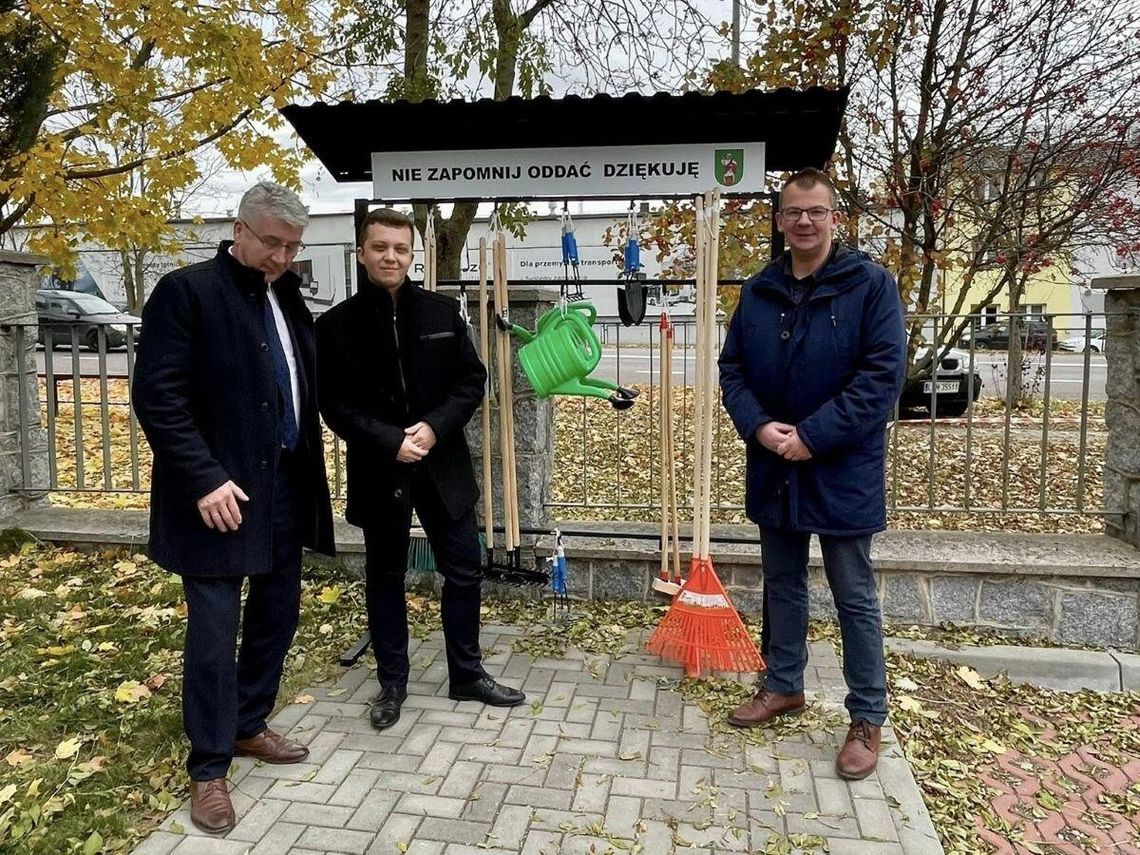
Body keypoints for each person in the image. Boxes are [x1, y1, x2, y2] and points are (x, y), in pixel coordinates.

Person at [133, 182, 335, 833]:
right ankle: (209, 767)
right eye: (272, 242)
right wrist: (203, 478)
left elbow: (301, 381)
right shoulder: (186, 292)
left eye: (293, 246)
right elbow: (158, 397)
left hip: (284, 489)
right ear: (239, 229)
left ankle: (249, 723)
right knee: (215, 635)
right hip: (217, 497)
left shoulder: (286, 295)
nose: (282, 256)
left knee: (278, 614)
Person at [718, 167, 906, 780]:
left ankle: (867, 716)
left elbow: (881, 379)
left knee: (854, 595)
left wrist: (813, 437)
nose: (805, 221)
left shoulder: (870, 286)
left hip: (843, 467)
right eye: (794, 212)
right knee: (783, 582)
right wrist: (759, 427)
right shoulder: (758, 291)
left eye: (816, 211)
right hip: (775, 463)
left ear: (833, 218)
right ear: (779, 219)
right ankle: (783, 684)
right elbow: (733, 370)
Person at [316, 208, 525, 732]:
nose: (391, 257)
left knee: (464, 569)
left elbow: (471, 381)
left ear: (413, 255)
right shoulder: (335, 326)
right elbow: (333, 404)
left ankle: (467, 674)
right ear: (361, 253)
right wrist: (390, 441)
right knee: (385, 575)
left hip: (442, 465)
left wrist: (432, 427)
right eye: (380, 247)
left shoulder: (441, 312)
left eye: (400, 249)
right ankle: (392, 683)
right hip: (380, 469)